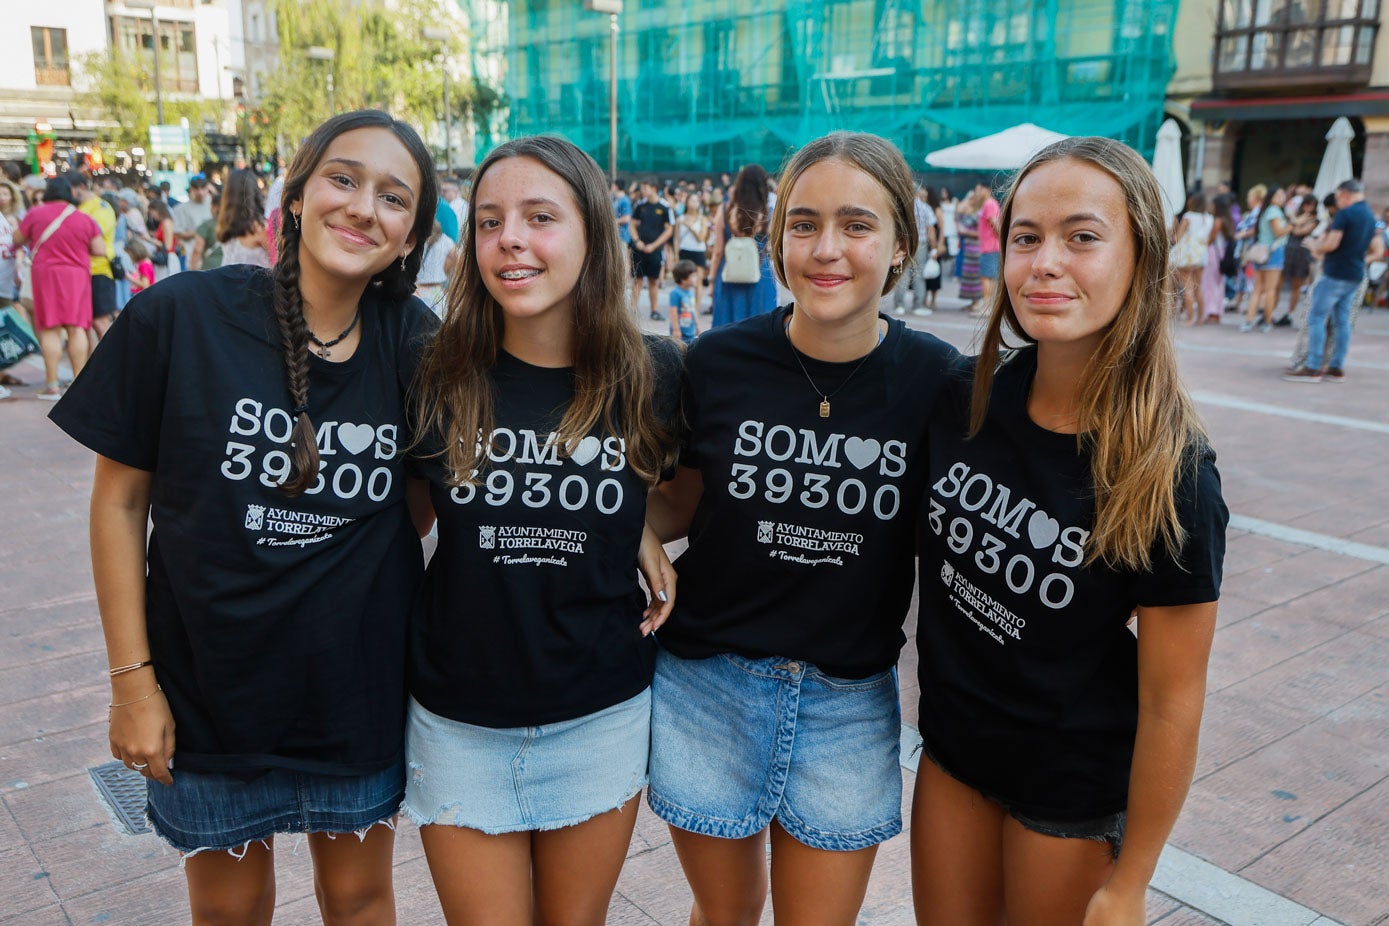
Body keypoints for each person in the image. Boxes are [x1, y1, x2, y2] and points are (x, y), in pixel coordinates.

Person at [47, 110, 439, 923]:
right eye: (343, 178)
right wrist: (131, 686)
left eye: (394, 197)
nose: (364, 207)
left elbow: (426, 503)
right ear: (295, 197)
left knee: (361, 899)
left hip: (355, 693)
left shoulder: (415, 343)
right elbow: (119, 503)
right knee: (229, 911)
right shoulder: (180, 316)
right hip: (206, 691)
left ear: (411, 238)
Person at [911, 136, 1228, 925]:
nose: (1044, 263)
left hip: (1068, 786)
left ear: (1141, 258)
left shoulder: (1172, 478)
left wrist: (1130, 883)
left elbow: (1170, 704)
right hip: (950, 757)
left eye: (1081, 237)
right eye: (1026, 237)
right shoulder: (965, 400)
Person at [643, 131, 957, 926]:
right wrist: (631, 529)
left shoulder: (939, 383)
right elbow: (680, 501)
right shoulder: (713, 362)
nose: (825, 249)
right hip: (706, 684)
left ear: (899, 246)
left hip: (847, 699)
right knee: (725, 913)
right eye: (804, 223)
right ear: (776, 235)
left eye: (856, 225)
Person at [405, 134, 680, 926]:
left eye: (539, 217)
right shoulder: (437, 374)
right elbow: (406, 521)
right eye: (488, 222)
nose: (509, 240)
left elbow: (691, 491)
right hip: (457, 718)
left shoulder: (651, 374)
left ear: (592, 233)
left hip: (600, 714)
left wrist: (639, 527)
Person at [12, 177, 104, 400]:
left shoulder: (35, 214)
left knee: (50, 328)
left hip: (46, 275)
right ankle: (78, 383)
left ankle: (52, 384)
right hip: (77, 276)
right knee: (77, 328)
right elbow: (99, 250)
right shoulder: (84, 218)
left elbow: (17, 239)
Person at [1285, 179, 1378, 382]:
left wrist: (1315, 246)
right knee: (1342, 322)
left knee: (1316, 317)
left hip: (1336, 272)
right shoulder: (1370, 215)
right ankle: (1336, 367)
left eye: (1338, 196)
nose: (1337, 200)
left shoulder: (1345, 214)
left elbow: (1332, 244)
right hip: (1355, 273)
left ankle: (1313, 367)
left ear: (1345, 194)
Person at [709, 164, 778, 327]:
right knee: (761, 327)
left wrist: (712, 280)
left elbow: (718, 251)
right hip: (759, 273)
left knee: (727, 328)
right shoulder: (768, 212)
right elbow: (772, 246)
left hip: (729, 272)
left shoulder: (726, 210)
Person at [1240, 185, 1287, 332]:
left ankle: (1248, 321)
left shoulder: (1264, 210)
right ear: (1271, 197)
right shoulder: (1274, 211)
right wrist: (1292, 225)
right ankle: (1267, 321)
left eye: (1282, 195)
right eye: (1278, 195)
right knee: (1270, 290)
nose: (1282, 198)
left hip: (1260, 253)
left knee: (1257, 290)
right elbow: (1279, 232)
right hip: (1272, 253)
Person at [631, 180, 673, 320]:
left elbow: (668, 230)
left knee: (653, 281)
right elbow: (632, 224)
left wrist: (654, 245)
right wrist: (637, 241)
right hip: (639, 248)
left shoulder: (664, 207)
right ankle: (632, 311)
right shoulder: (640, 205)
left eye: (645, 187)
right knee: (637, 279)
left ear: (654, 188)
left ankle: (654, 311)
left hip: (655, 250)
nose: (643, 190)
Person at [215, 168, 271, 268]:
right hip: (255, 282)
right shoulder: (257, 228)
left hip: (228, 280)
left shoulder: (225, 223)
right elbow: (277, 260)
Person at [1170, 192, 1211, 325]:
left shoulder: (1188, 217)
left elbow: (1177, 238)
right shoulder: (1208, 218)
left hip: (1187, 257)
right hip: (1201, 255)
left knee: (1188, 287)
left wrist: (1171, 235)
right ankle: (1200, 317)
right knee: (1199, 287)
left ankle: (1190, 318)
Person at [1280, 194, 1319, 326]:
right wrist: (1296, 221)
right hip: (1289, 250)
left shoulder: (1314, 220)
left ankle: (1290, 313)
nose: (1309, 208)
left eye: (1312, 205)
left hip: (1301, 253)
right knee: (1278, 282)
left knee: (1296, 285)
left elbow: (1297, 231)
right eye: (1307, 204)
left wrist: (1295, 222)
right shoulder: (1296, 216)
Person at [1201, 196, 1236, 324]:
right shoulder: (1228, 220)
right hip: (1222, 253)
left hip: (1213, 253)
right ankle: (1216, 312)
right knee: (1219, 284)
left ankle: (1211, 312)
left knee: (1209, 283)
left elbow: (1210, 240)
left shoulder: (1217, 221)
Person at [413, 218, 454, 317]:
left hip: (417, 290)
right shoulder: (446, 241)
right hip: (436, 291)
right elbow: (453, 258)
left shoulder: (417, 240)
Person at [677, 191, 711, 311]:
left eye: (696, 201)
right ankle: (682, 305)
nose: (693, 203)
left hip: (697, 251)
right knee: (682, 279)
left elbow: (701, 238)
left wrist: (690, 227)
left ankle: (695, 309)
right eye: (691, 200)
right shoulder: (680, 219)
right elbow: (676, 239)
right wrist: (676, 256)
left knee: (698, 281)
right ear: (686, 202)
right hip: (684, 250)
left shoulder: (702, 219)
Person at [975, 180, 1002, 311]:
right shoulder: (989, 204)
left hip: (990, 246)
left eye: (979, 190)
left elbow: (995, 223)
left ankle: (988, 305)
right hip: (988, 246)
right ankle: (988, 304)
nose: (977, 193)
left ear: (987, 190)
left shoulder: (989, 204)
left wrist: (1001, 238)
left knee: (987, 276)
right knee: (988, 275)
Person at [956, 191, 983, 309]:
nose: (971, 201)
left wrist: (966, 232)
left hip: (975, 249)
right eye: (970, 198)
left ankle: (976, 302)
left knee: (975, 276)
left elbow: (981, 232)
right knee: (968, 276)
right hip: (967, 249)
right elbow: (957, 215)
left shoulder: (979, 213)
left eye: (973, 199)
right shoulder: (970, 211)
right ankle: (972, 302)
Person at [146, 199, 178, 282]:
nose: (152, 216)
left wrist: (148, 239)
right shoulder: (163, 222)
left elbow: (168, 246)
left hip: (168, 260)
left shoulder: (167, 223)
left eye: (152, 213)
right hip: (165, 260)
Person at [669, 258, 700, 345]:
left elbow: (693, 310)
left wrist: (697, 325)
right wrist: (676, 329)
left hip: (690, 330)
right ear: (683, 279)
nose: (696, 278)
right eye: (693, 276)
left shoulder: (690, 292)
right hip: (680, 332)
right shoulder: (675, 293)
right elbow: (673, 312)